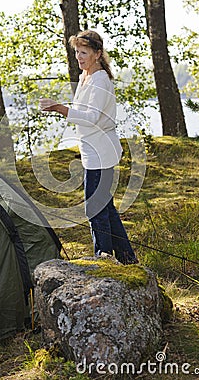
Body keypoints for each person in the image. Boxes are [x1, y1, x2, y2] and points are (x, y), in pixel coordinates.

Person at [39, 29, 138, 264]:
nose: (79, 57)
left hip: (101, 153)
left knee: (94, 209)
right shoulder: (86, 77)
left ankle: (103, 258)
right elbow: (85, 112)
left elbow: (92, 117)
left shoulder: (100, 80)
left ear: (97, 54)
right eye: (76, 52)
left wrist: (59, 108)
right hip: (91, 150)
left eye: (84, 52)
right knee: (106, 208)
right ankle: (127, 259)